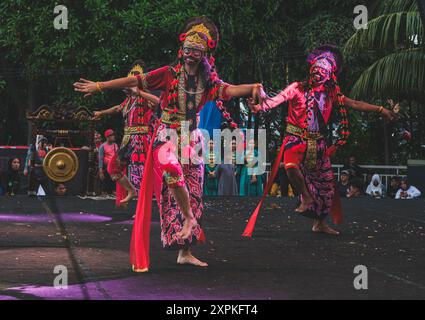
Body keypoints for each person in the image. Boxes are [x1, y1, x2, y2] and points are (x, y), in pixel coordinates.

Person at [74, 16, 266, 272]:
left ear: (204, 54)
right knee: (171, 171)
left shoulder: (208, 82)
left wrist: (254, 87)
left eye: (196, 51)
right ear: (181, 50)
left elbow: (230, 90)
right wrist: (100, 86)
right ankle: (187, 219)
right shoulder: (168, 74)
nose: (190, 55)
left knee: (195, 193)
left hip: (192, 137)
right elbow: (134, 81)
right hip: (166, 135)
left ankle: (185, 250)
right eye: (187, 50)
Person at [244, 45, 397, 237]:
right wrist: (259, 107)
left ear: (329, 76)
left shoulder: (332, 94)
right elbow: (275, 101)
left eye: (323, 71)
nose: (318, 74)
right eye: (315, 70)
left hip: (318, 144)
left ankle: (319, 223)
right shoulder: (297, 88)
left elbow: (355, 104)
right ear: (311, 71)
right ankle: (306, 198)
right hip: (295, 138)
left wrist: (381, 110)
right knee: (290, 166)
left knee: (325, 186)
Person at [94, 60, 160, 205]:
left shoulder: (144, 97)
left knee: (141, 175)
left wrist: (141, 92)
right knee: (113, 168)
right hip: (128, 140)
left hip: (142, 140)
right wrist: (102, 112)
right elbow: (118, 108)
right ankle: (131, 191)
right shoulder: (129, 100)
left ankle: (142, 208)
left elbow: (158, 102)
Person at [98, 129, 118, 197]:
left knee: (114, 178)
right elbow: (100, 158)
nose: (113, 137)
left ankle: (113, 191)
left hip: (113, 165)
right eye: (112, 136)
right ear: (108, 137)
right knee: (105, 178)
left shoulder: (115, 145)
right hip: (106, 165)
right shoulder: (102, 146)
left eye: (113, 135)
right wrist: (100, 170)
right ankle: (104, 191)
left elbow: (117, 155)